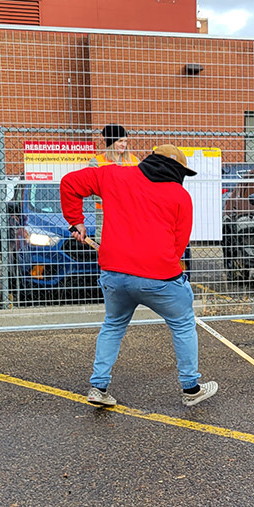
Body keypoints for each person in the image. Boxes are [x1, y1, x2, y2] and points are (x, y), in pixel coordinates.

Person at [61, 144, 217, 407]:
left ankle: (98, 387)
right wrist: (172, 272)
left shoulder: (114, 175)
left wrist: (76, 220)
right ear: (177, 170)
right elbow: (179, 244)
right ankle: (191, 389)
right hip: (160, 278)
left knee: (113, 325)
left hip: (115, 273)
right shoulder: (179, 196)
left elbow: (70, 183)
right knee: (182, 324)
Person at [91, 124, 141, 242]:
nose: (123, 144)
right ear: (111, 142)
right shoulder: (97, 162)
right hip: (105, 214)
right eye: (120, 141)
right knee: (106, 244)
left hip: (130, 214)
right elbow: (94, 192)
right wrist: (116, 203)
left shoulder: (134, 161)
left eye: (125, 141)